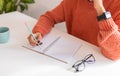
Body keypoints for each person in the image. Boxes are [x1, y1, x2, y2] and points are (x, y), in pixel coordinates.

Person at [27, 0, 120, 60]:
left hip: (97, 61)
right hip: (71, 58)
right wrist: (39, 31)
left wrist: (100, 8)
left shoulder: (117, 5)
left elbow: (116, 53)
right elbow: (49, 17)